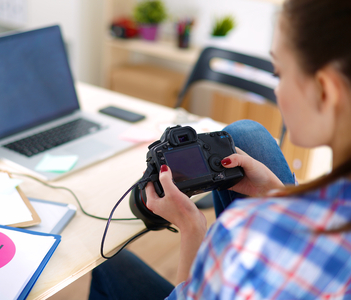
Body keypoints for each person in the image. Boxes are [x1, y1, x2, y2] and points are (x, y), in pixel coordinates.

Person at [89, 0, 351, 298]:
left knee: (108, 263)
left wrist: (193, 229)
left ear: (325, 90)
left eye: (279, 73)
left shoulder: (245, 230)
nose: (277, 90)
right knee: (245, 134)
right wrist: (275, 192)